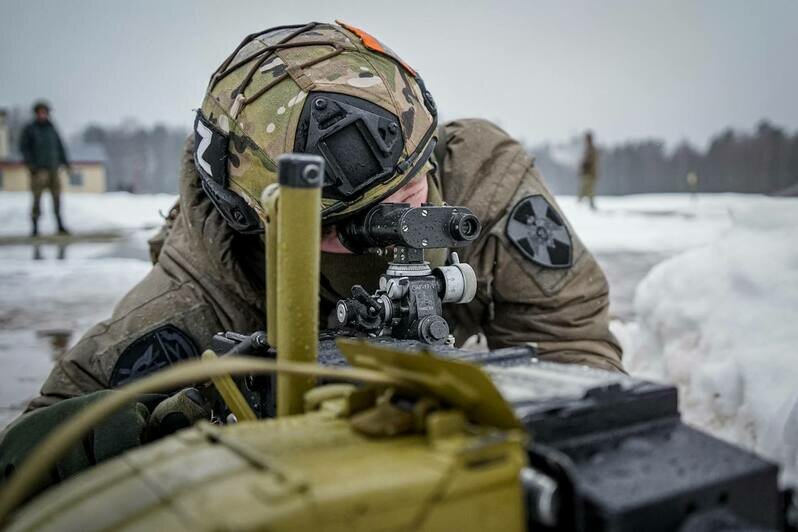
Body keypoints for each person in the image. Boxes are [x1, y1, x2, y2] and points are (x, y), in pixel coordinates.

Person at [1, 22, 622, 488]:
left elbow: (578, 353)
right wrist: (191, 425)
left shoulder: (485, 185)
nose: (393, 234)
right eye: (343, 229)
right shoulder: (195, 299)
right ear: (257, 224)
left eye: (410, 197)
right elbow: (26, 471)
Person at [19, 101, 70, 236]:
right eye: (40, 112)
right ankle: (35, 227)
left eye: (44, 112)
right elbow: (24, 149)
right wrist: (31, 165)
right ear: (36, 113)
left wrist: (65, 162)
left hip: (54, 168)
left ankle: (60, 225)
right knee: (37, 198)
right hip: (39, 170)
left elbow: (59, 146)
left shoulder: (51, 128)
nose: (42, 114)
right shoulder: (30, 129)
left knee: (57, 197)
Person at [578, 130, 598, 209]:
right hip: (587, 173)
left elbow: (589, 161)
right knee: (585, 189)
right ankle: (580, 204)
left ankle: (582, 204)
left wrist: (583, 166)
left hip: (589, 173)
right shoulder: (589, 149)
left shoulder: (591, 149)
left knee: (587, 189)